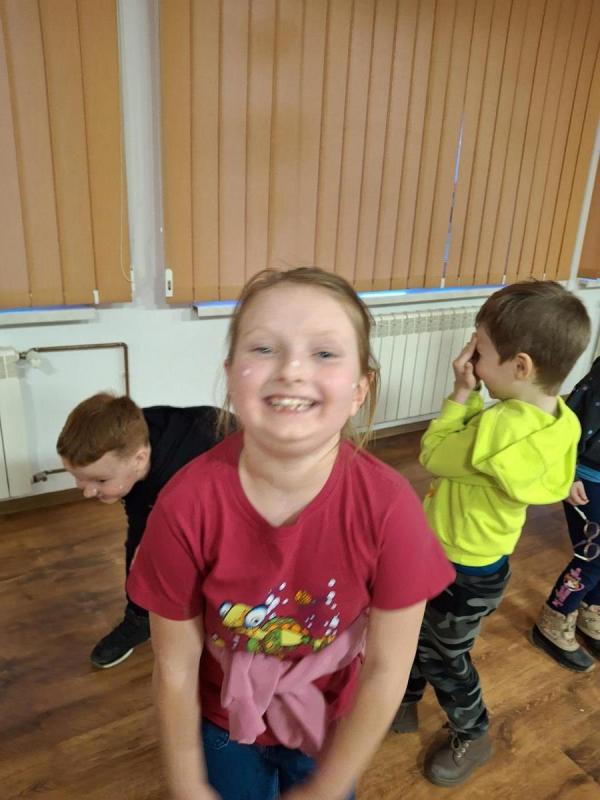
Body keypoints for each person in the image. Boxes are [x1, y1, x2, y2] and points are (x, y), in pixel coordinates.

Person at [127, 267, 455, 800]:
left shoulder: (390, 508)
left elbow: (387, 669)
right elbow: (175, 666)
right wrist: (186, 783)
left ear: (360, 389)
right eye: (264, 348)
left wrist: (330, 785)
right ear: (231, 376)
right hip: (222, 721)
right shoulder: (184, 504)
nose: (292, 370)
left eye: (324, 353)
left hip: (331, 718)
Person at [392, 281, 591, 788]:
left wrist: (461, 393)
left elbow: (433, 453)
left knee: (444, 657)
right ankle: (404, 699)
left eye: (478, 352)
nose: (472, 361)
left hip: (454, 565)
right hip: (483, 564)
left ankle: (473, 732)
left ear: (520, 366)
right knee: (420, 633)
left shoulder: (496, 429)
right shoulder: (561, 419)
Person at [57, 394, 227, 668]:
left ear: (139, 459)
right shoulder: (123, 442)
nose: (87, 491)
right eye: (78, 478)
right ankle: (139, 619)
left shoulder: (190, 473)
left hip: (230, 482)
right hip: (159, 479)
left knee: (201, 559)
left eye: (99, 480)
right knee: (138, 547)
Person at [531, 356, 600, 671]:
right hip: (586, 478)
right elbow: (569, 423)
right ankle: (554, 618)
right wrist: (568, 473)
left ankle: (591, 609)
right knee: (593, 556)